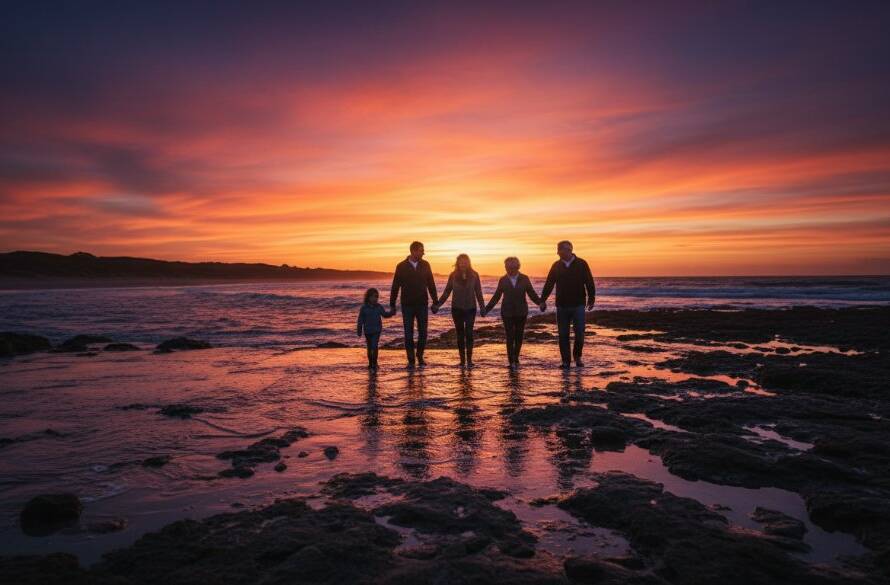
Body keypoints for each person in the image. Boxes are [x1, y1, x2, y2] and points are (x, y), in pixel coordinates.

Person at [539, 240, 596, 368]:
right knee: (563, 334)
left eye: (560, 250)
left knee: (580, 333)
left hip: (578, 304)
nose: (558, 253)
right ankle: (565, 361)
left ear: (569, 250)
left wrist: (591, 299)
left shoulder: (582, 264)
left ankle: (577, 357)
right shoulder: (556, 265)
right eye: (558, 250)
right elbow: (549, 283)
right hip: (562, 305)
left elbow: (589, 282)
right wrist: (542, 300)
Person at [484, 256, 543, 367]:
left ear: (517, 267)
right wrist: (487, 309)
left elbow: (531, 293)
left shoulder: (524, 278)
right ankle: (511, 361)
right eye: (507, 267)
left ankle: (516, 357)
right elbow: (496, 296)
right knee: (510, 336)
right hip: (507, 312)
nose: (508, 269)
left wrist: (540, 303)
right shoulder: (503, 280)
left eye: (511, 267)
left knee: (519, 335)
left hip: (521, 312)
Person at [390, 241, 438, 368]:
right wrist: (392, 304)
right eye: (421, 250)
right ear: (414, 251)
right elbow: (395, 286)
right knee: (408, 333)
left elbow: (431, 284)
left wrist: (435, 302)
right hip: (407, 305)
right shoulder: (401, 266)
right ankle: (411, 360)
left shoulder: (426, 265)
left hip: (422, 304)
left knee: (423, 332)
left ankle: (420, 356)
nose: (423, 253)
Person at [434, 253, 485, 367]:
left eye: (465, 262)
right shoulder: (453, 275)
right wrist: (438, 305)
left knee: (469, 334)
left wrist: (482, 307)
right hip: (457, 309)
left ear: (468, 263)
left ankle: (470, 360)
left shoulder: (474, 275)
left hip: (471, 308)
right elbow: (447, 292)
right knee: (460, 335)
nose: (463, 264)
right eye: (461, 262)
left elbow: (479, 292)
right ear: (458, 263)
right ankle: (462, 361)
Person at [357, 287, 395, 370]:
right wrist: (359, 330)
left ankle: (374, 363)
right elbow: (360, 320)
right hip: (367, 331)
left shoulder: (379, 307)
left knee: (375, 346)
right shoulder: (364, 308)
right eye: (373, 297)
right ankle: (370, 363)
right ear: (368, 297)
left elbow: (384, 314)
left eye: (377, 297)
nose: (375, 299)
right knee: (369, 347)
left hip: (377, 330)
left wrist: (391, 313)